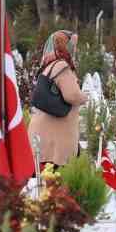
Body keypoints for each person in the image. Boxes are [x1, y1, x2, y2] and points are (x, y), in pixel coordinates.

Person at [30, 30, 84, 171]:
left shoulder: (49, 64)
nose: (74, 49)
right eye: (72, 45)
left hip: (45, 133)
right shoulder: (62, 65)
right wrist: (85, 96)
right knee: (56, 181)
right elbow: (72, 95)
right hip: (57, 138)